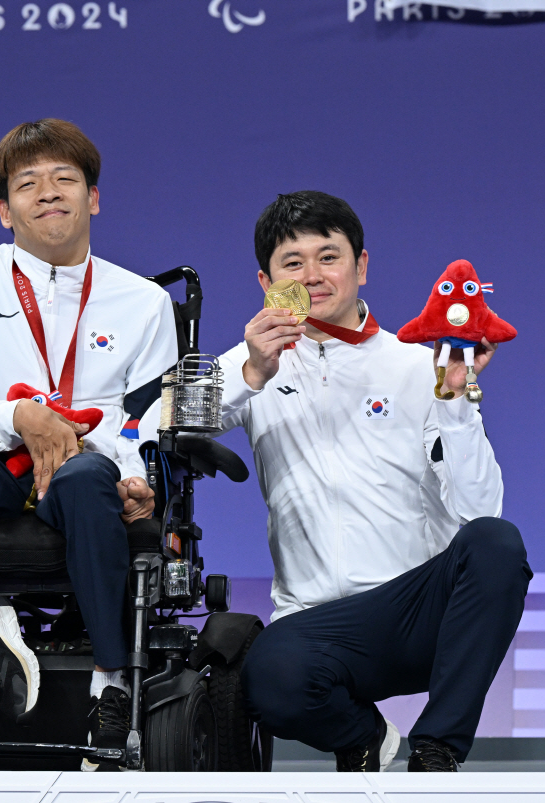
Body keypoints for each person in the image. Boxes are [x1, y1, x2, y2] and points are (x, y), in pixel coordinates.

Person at [218, 191, 531, 772]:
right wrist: (253, 373)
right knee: (270, 679)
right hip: (317, 625)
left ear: (361, 266)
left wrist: (456, 401)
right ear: (267, 280)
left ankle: (437, 751)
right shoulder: (251, 361)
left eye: (328, 256)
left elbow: (480, 508)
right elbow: (170, 422)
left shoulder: (420, 364)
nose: (312, 275)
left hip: (416, 610)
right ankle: (365, 739)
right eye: (292, 262)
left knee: (497, 542)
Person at [0, 119, 177, 770]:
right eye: (27, 183)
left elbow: (147, 428)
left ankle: (111, 687)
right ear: (5, 211)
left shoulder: (143, 303)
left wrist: (136, 473)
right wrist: (24, 415)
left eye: (65, 178)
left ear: (93, 197)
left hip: (88, 473)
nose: (48, 192)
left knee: (88, 476)